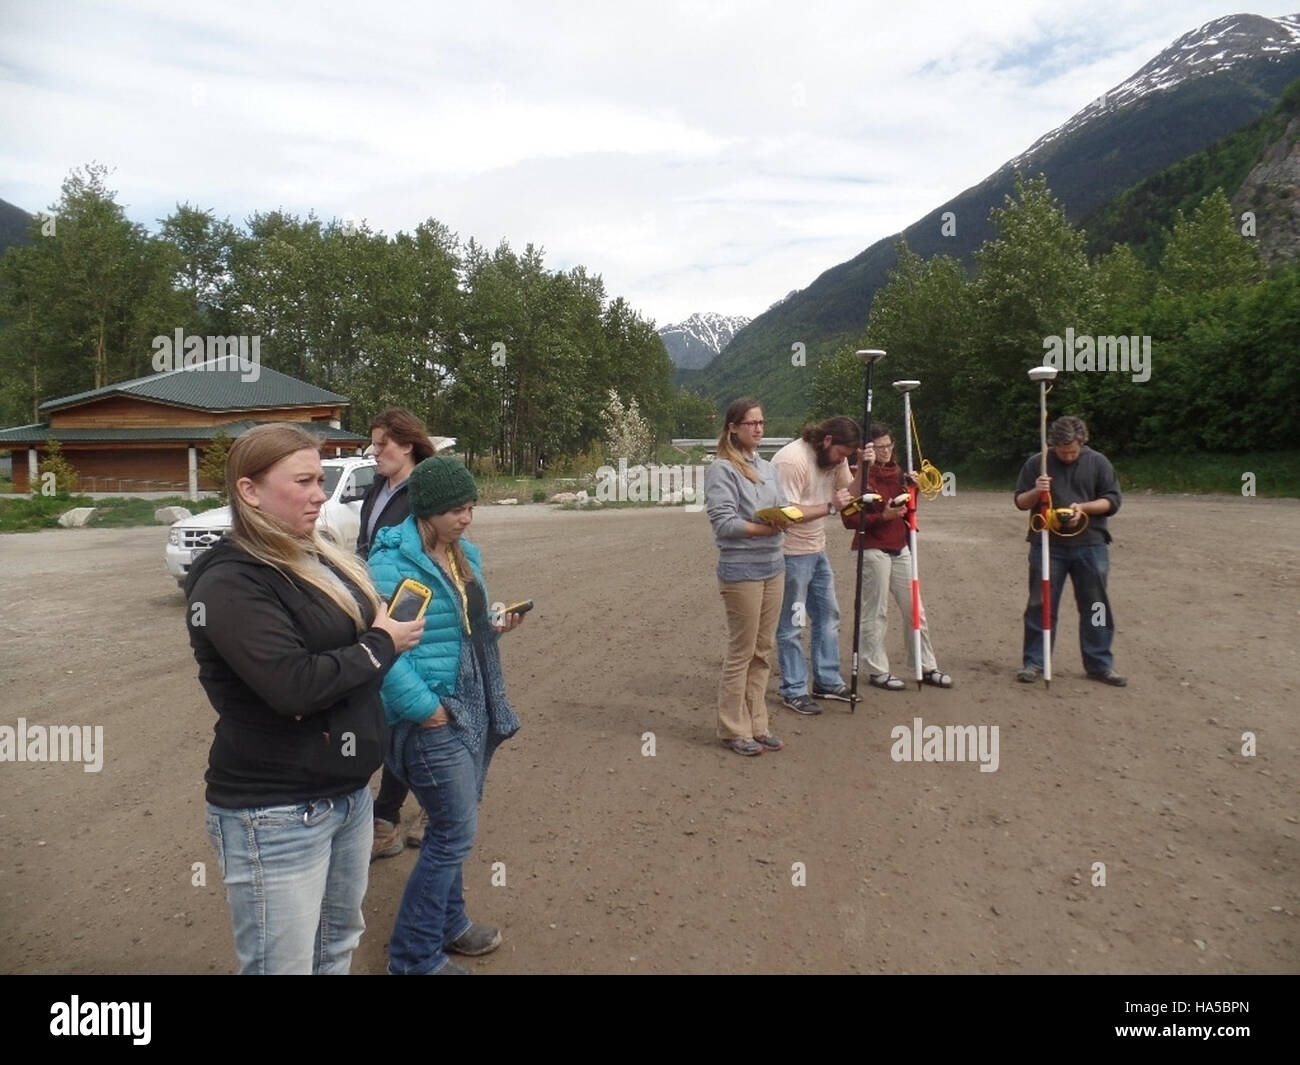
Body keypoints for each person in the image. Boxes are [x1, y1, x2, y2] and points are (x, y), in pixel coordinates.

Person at [186, 422, 425, 974]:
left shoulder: (314, 556)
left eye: (321, 479)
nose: (321, 493)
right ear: (250, 491)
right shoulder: (231, 581)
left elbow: (345, 638)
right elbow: (293, 686)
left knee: (336, 946)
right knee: (283, 966)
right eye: (305, 481)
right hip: (276, 811)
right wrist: (382, 643)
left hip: (347, 796)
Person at [368, 456, 524, 974]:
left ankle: (451, 924)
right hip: (433, 717)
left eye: (471, 507)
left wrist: (489, 623)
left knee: (448, 829)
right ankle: (412, 958)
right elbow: (383, 651)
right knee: (454, 831)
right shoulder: (392, 566)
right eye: (457, 510)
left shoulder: (460, 556)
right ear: (429, 511)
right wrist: (425, 709)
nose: (467, 518)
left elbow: (454, 626)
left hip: (470, 704)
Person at [357, 407, 439, 860]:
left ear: (407, 444)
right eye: (372, 443)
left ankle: (394, 816)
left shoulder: (427, 489)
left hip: (413, 609)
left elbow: (440, 553)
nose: (374, 451)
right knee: (393, 712)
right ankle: (412, 809)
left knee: (411, 711)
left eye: (382, 443)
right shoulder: (378, 489)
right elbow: (365, 547)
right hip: (377, 607)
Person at [703, 397, 797, 755]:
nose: (759, 428)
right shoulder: (722, 470)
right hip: (741, 569)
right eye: (751, 423)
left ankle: (758, 724)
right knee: (741, 651)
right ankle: (732, 728)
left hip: (774, 566)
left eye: (762, 422)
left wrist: (786, 518)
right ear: (733, 428)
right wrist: (765, 529)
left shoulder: (769, 468)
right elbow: (724, 523)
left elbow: (785, 505)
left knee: (763, 649)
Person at [1013, 415, 1125, 686]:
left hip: (1091, 545)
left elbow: (1112, 500)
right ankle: (1035, 662)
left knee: (1096, 606)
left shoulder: (1098, 462)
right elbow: (1019, 501)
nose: (1067, 456)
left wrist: (1082, 508)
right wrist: (1036, 492)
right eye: (1062, 452)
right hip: (1047, 545)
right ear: (1053, 445)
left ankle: (1100, 664)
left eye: (1072, 451)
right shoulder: (1037, 463)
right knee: (1040, 604)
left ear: (1082, 443)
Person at [843, 423, 952, 690]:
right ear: (868, 449)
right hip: (872, 548)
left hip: (900, 547)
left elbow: (908, 511)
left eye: (888, 446)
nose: (885, 451)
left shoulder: (899, 474)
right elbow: (851, 519)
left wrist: (912, 491)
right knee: (875, 611)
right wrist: (883, 516)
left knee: (916, 610)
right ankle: (877, 670)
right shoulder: (859, 476)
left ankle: (925, 665)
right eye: (879, 447)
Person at [770, 416, 861, 715]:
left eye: (848, 456)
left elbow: (851, 496)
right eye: (841, 454)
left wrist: (866, 467)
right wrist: (830, 506)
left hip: (816, 549)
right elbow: (785, 513)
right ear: (827, 441)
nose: (842, 461)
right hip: (789, 552)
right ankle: (794, 689)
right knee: (793, 624)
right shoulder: (791, 461)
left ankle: (826, 679)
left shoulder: (836, 459)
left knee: (828, 615)